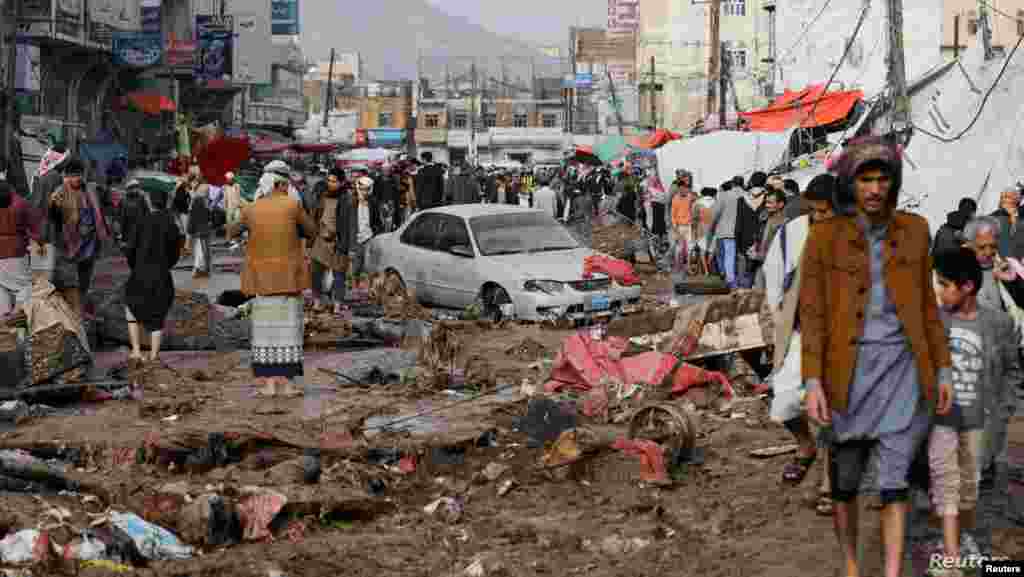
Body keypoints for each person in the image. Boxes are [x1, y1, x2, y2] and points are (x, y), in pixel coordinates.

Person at [800, 136, 953, 577]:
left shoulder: (916, 230)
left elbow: (927, 308)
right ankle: (850, 564)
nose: (874, 188)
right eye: (865, 179)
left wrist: (942, 368)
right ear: (851, 183)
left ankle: (890, 572)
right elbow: (812, 314)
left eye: (882, 178)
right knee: (845, 484)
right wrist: (812, 381)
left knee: (894, 484)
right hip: (844, 377)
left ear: (893, 182)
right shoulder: (825, 237)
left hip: (902, 372)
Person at [929, 246, 1022, 577]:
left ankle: (960, 540)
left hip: (979, 422)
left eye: (944, 284)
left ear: (967, 286)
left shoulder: (997, 322)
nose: (938, 291)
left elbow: (1012, 369)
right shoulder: (935, 320)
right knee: (946, 484)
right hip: (941, 421)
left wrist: (1004, 409)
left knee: (968, 488)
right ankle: (951, 552)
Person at [762, 174, 837, 514]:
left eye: (829, 212)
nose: (822, 218)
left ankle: (829, 482)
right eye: (817, 212)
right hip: (798, 333)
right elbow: (773, 277)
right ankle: (805, 446)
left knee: (834, 411)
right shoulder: (791, 234)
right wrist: (779, 319)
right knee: (785, 404)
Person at [229, 166, 317, 399]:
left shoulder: (252, 208)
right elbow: (312, 232)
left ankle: (268, 386)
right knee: (288, 333)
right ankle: (287, 386)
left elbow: (231, 231)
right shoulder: (291, 205)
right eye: (284, 184)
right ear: (279, 185)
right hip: (288, 280)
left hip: (261, 281)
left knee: (265, 335)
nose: (287, 187)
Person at [42, 158, 111, 318]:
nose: (77, 179)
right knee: (69, 282)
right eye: (73, 175)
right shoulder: (59, 192)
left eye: (79, 175)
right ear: (66, 176)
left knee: (85, 280)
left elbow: (104, 204)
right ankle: (68, 313)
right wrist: (53, 207)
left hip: (89, 244)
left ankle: (80, 310)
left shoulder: (91, 189)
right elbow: (53, 219)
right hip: (68, 244)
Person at [123, 185, 182, 364]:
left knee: (131, 309)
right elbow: (175, 252)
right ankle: (154, 354)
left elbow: (130, 249)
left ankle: (135, 350)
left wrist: (134, 266)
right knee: (158, 313)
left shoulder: (141, 221)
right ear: (165, 203)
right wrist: (166, 265)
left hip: (140, 273)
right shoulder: (171, 223)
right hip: (162, 274)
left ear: (149, 203)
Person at [309, 168, 350, 314]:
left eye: (334, 181)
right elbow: (315, 216)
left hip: (338, 241)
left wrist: (344, 245)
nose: (330, 184)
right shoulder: (322, 196)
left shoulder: (346, 199)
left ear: (341, 182)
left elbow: (347, 224)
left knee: (338, 274)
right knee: (315, 272)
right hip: (320, 239)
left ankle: (337, 304)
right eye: (329, 180)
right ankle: (317, 301)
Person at [0, 181, 36, 317]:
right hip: (15, 252)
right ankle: (18, 319)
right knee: (24, 287)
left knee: (2, 289)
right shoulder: (21, 203)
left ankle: (5, 326)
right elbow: (36, 229)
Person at [187, 172, 212, 279]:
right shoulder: (200, 200)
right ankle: (200, 269)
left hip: (200, 226)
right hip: (201, 226)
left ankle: (200, 269)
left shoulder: (199, 196)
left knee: (201, 248)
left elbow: (193, 214)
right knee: (201, 248)